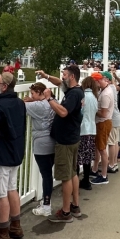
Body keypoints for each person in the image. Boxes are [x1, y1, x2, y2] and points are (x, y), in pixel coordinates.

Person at [35, 65, 83, 222]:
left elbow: (63, 112)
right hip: (72, 138)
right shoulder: (74, 89)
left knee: (66, 176)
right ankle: (75, 205)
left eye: (64, 75)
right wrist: (46, 76)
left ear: (72, 76)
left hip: (66, 141)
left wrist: (49, 99)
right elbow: (58, 84)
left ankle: (66, 212)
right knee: (73, 172)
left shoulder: (74, 94)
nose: (62, 77)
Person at [0, 72, 27, 239]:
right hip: (15, 152)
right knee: (12, 188)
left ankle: (3, 234)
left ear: (4, 87)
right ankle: (15, 226)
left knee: (0, 194)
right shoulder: (19, 103)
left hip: (1, 155)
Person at [25, 81, 56, 216]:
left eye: (32, 93)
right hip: (52, 140)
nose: (30, 96)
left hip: (41, 143)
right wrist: (33, 99)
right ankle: (45, 201)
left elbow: (20, 104)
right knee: (48, 174)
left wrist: (30, 100)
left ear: (39, 93)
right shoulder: (52, 102)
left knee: (46, 175)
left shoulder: (37, 106)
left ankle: (46, 206)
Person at [92, 71, 114, 186]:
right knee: (99, 148)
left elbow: (104, 114)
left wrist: (93, 109)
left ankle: (104, 175)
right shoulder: (105, 89)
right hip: (102, 123)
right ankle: (95, 170)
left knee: (102, 149)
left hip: (103, 123)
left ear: (97, 81)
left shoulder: (105, 94)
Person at [78, 76, 99, 190]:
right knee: (87, 157)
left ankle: (77, 180)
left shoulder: (83, 97)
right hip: (92, 129)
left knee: (78, 157)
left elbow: (80, 112)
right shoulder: (95, 98)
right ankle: (86, 180)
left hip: (82, 129)